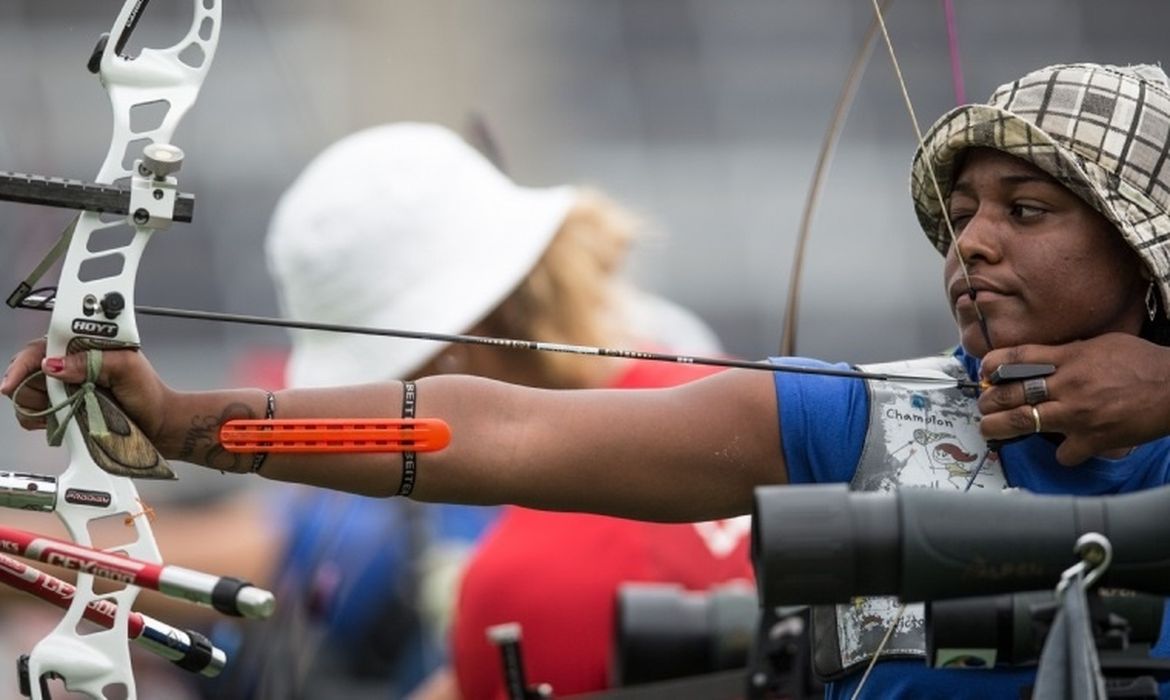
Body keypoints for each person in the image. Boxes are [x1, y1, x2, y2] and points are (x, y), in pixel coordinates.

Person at [7, 62, 1170, 698]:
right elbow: (492, 435)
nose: (971, 244)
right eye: (960, 215)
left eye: (1026, 213)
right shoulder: (863, 418)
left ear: (1141, 245)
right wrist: (191, 423)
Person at [257, 121, 751, 699]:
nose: (374, 429)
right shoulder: (744, 399)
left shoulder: (514, 588)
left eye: (388, 392)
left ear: (457, 351)